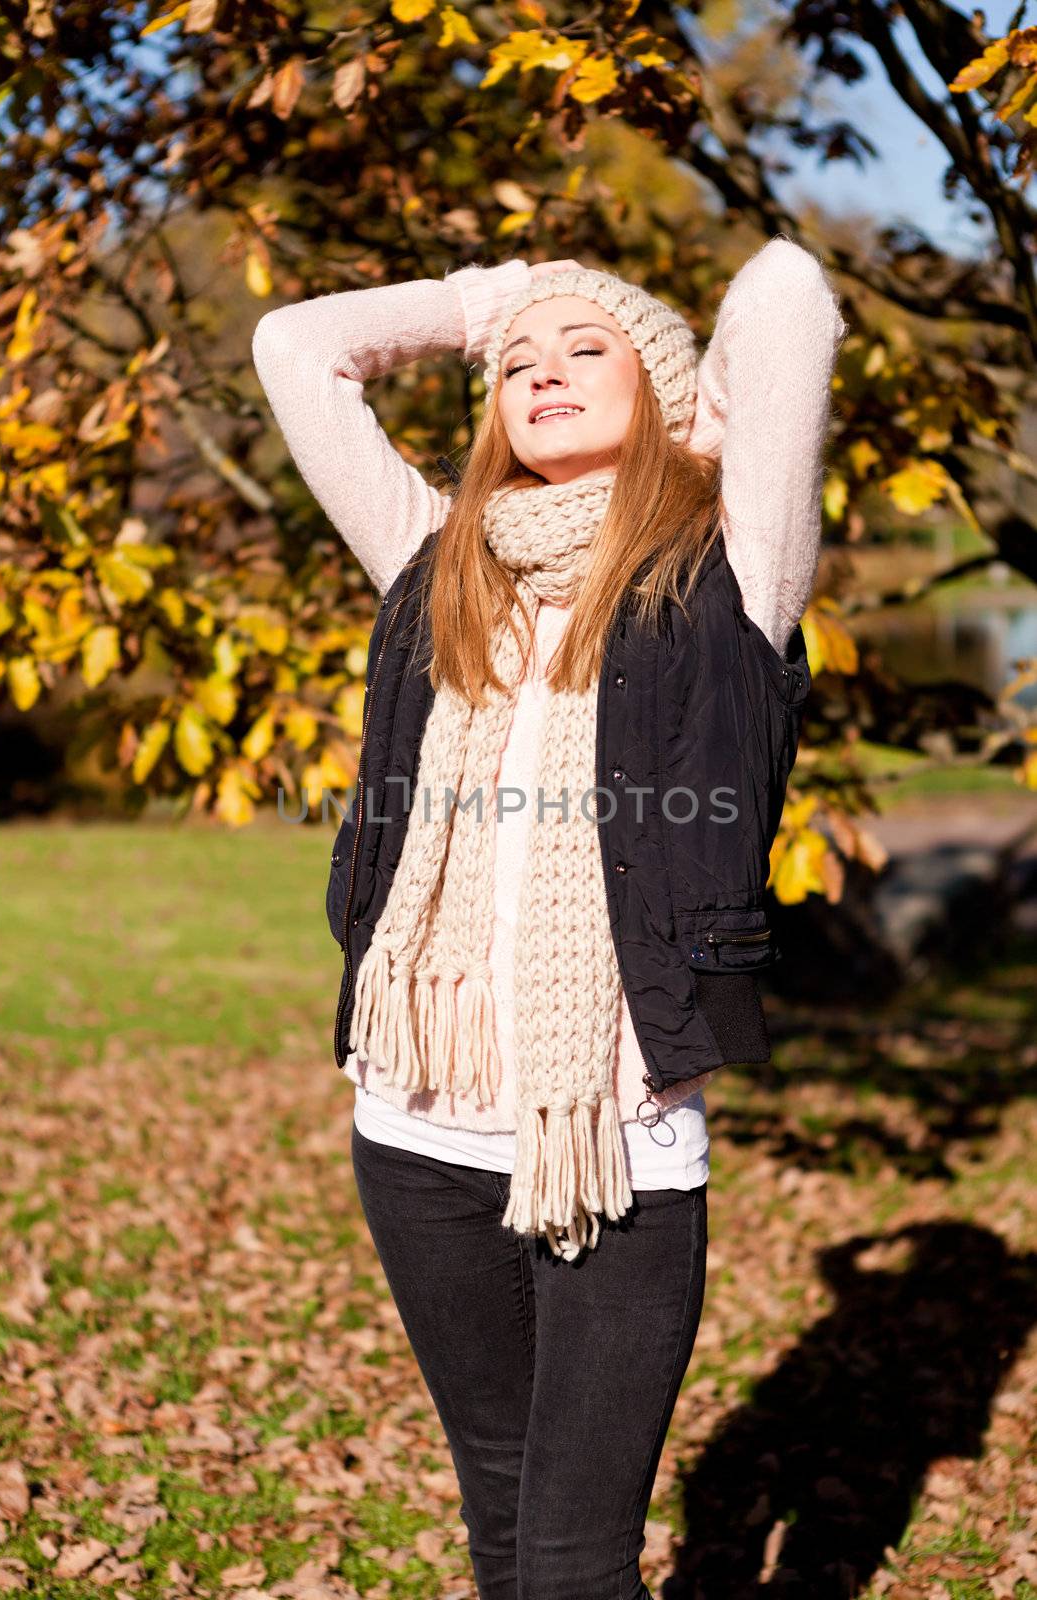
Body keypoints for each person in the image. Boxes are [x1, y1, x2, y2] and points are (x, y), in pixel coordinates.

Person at [252, 239, 846, 1600]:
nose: (544, 371)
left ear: (670, 394)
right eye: (519, 365)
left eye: (588, 351)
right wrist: (483, 302)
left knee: (577, 1562)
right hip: (418, 1134)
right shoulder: (431, 562)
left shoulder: (730, 578)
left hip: (619, 1143)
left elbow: (789, 294)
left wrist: (700, 410)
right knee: (506, 1519)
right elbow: (297, 345)